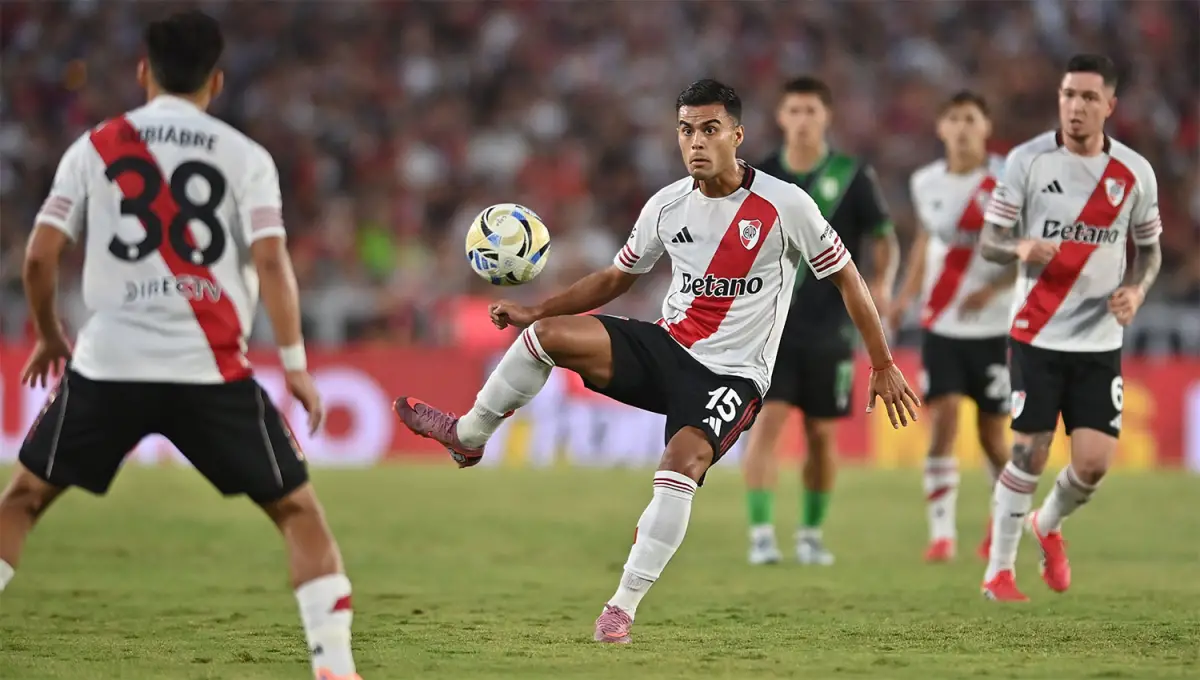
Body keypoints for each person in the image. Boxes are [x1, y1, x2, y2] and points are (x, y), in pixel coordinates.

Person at [393, 79, 920, 643]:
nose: (696, 142)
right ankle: (469, 436)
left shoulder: (784, 204)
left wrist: (882, 362)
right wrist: (536, 309)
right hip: (667, 348)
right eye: (686, 130)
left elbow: (847, 277)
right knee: (546, 336)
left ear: (737, 136)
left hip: (733, 376)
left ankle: (620, 608)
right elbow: (616, 277)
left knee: (679, 466)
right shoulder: (667, 205)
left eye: (710, 129)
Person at [0, 12, 361, 679]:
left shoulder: (95, 147)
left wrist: (50, 335)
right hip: (210, 373)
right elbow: (272, 261)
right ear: (216, 81)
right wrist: (295, 366)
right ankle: (335, 668)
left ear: (144, 72)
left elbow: (39, 257)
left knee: (22, 500)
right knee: (297, 511)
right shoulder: (246, 158)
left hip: (108, 368)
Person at [978, 54, 1162, 601]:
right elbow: (990, 242)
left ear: (1110, 105)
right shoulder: (1027, 161)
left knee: (1093, 465)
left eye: (1087, 97)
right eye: (1067, 95)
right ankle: (999, 573)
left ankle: (1048, 523)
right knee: (1029, 453)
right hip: (1036, 332)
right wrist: (1021, 247)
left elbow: (1150, 251)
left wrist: (1137, 291)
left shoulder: (1134, 173)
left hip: (1100, 339)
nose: (1075, 106)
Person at [739, 77, 900, 566]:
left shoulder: (852, 176)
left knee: (821, 435)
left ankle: (810, 534)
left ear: (826, 116)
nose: (803, 120)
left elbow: (884, 235)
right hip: (770, 328)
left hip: (832, 328)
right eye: (794, 110)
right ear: (781, 117)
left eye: (811, 110)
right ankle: (761, 535)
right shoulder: (760, 175)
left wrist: (883, 283)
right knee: (767, 425)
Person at [891, 91, 1014, 563]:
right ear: (941, 128)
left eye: (970, 119)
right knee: (942, 423)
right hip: (941, 323)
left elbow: (1029, 246)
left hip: (994, 328)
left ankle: (1003, 521)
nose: (962, 128)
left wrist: (996, 286)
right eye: (954, 119)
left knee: (992, 436)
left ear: (986, 126)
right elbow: (925, 242)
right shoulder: (925, 182)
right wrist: (905, 296)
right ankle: (942, 535)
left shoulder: (1007, 179)